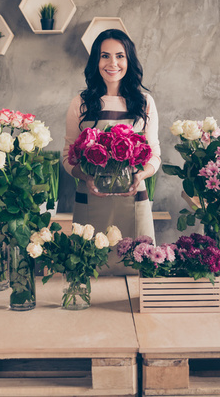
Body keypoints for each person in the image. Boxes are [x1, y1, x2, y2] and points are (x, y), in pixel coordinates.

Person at [63, 29, 160, 274]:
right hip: (90, 204)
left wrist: (140, 176)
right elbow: (67, 155)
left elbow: (155, 155)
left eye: (120, 56)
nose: (113, 63)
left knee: (137, 273)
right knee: (90, 274)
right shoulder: (80, 103)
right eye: (105, 56)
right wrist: (85, 176)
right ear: (96, 61)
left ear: (129, 60)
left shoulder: (144, 102)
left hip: (133, 202)